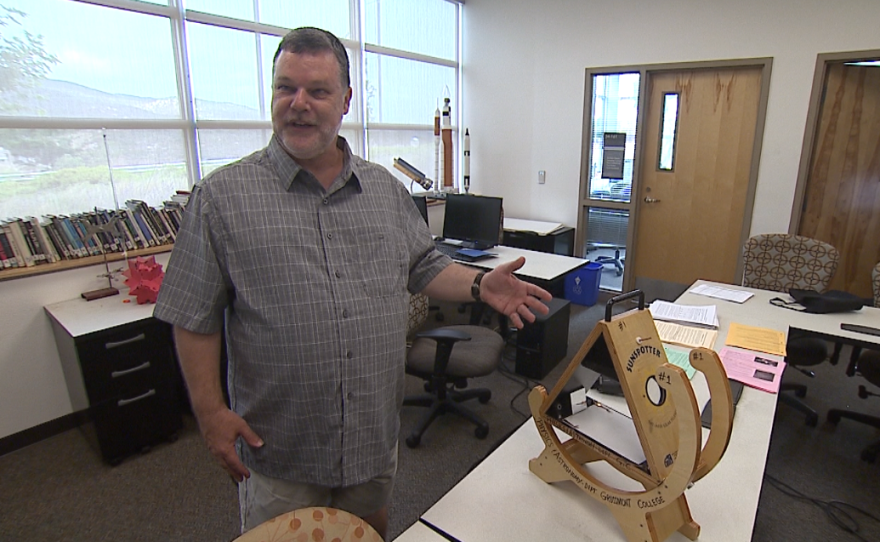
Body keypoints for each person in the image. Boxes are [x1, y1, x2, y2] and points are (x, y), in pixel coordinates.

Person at [153, 27, 551, 540]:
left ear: (344, 101)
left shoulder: (384, 190)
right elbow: (193, 315)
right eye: (285, 88)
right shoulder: (220, 199)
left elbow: (423, 266)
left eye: (317, 91)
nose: (299, 104)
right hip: (280, 450)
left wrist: (479, 285)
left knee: (367, 534)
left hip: (370, 439)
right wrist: (210, 413)